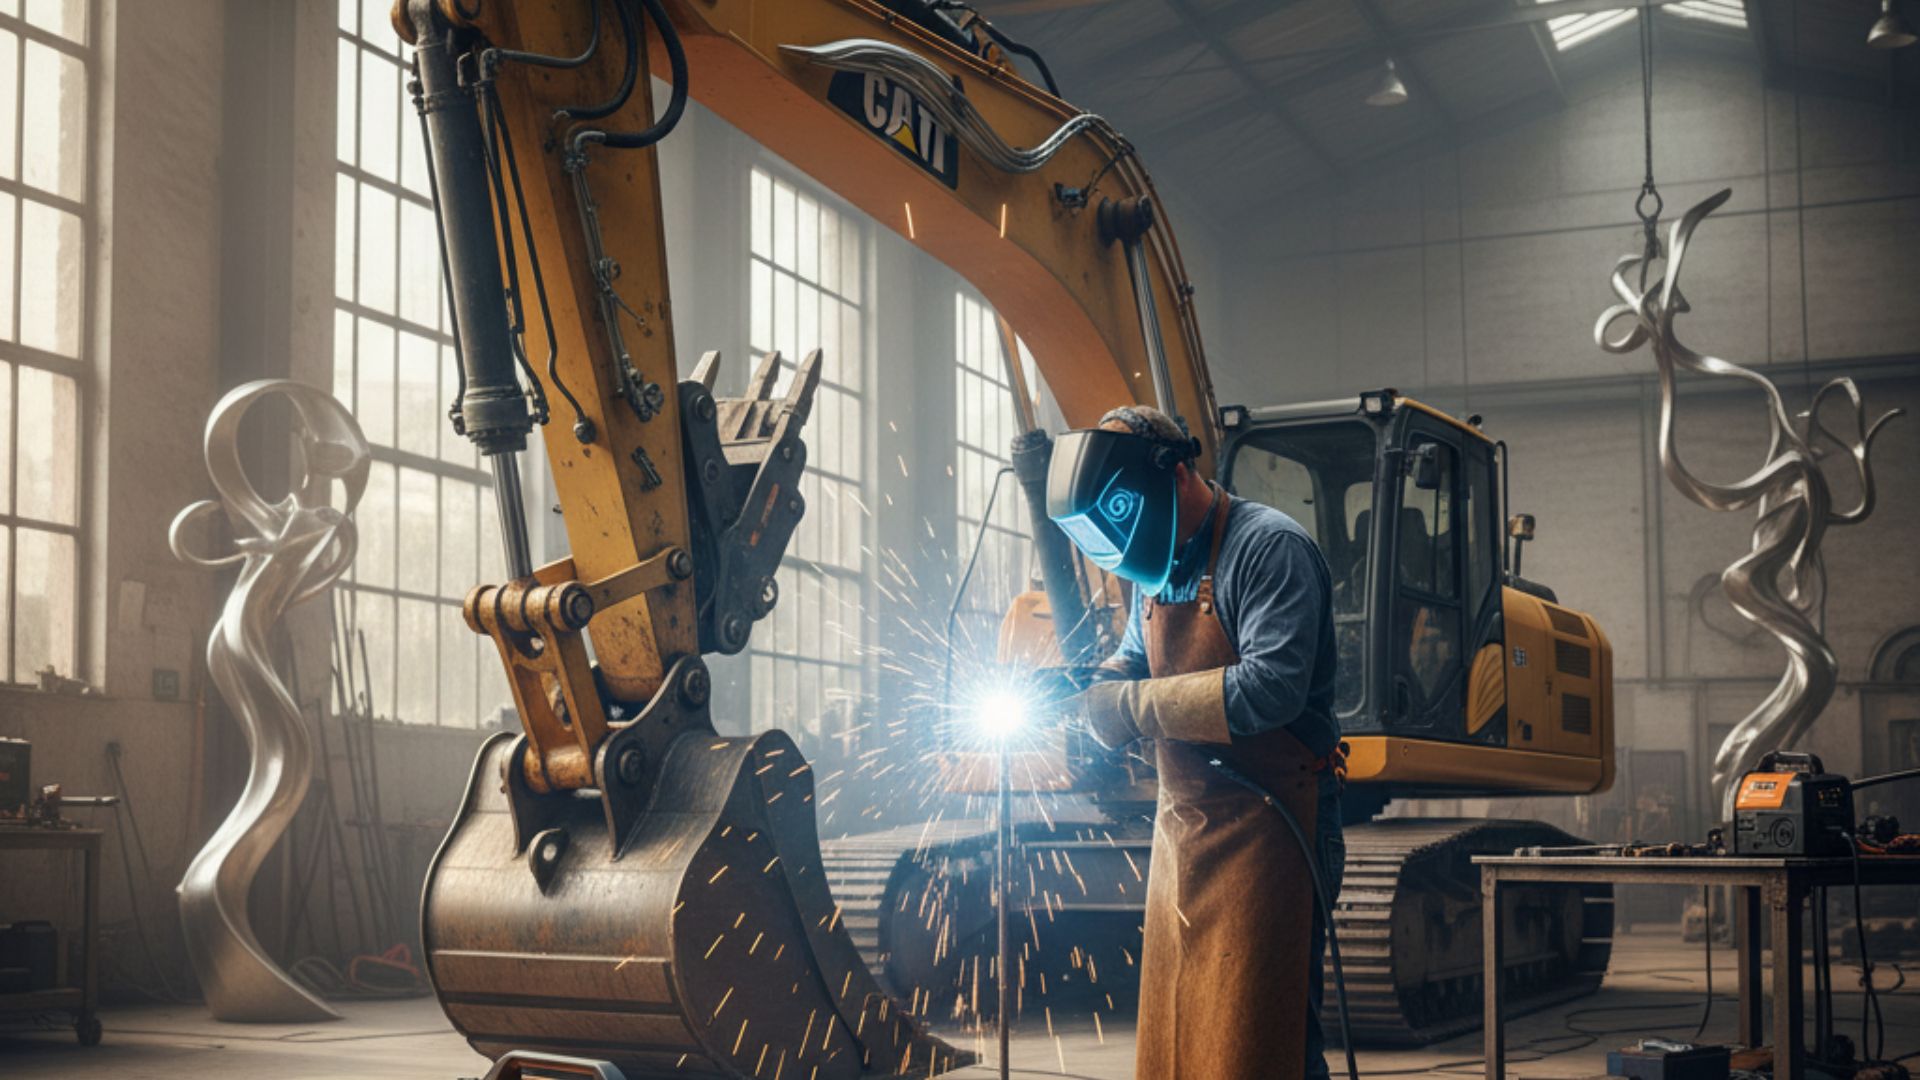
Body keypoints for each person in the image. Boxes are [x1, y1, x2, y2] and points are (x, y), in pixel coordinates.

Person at [1049, 404, 1345, 1080]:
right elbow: (1134, 662)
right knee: (1185, 1022)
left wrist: (1123, 705)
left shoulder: (1269, 548)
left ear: (1179, 474)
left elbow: (1272, 688)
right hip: (1185, 825)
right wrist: (1084, 687)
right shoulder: (1152, 568)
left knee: (1268, 1038)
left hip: (1277, 822)